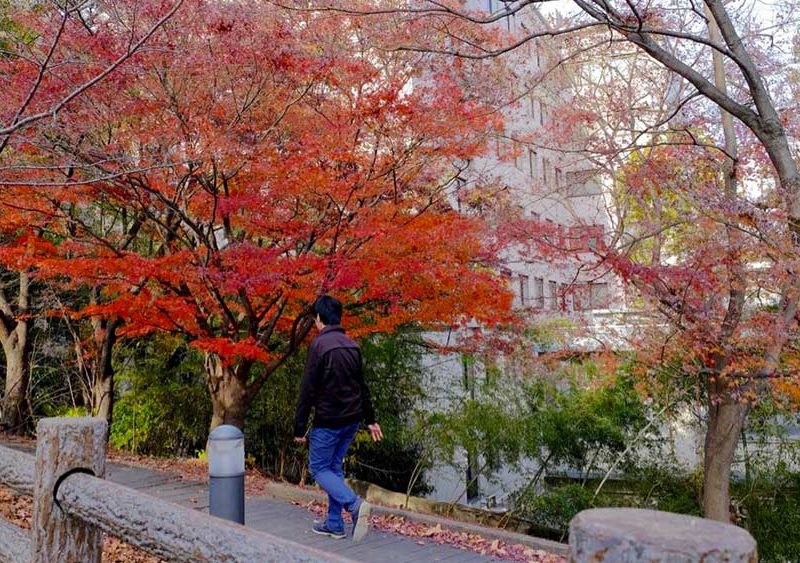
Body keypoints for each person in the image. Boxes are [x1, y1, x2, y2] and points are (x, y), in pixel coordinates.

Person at [293, 295, 383, 542]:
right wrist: (371, 419)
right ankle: (334, 524)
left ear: (319, 318)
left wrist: (299, 427)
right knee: (333, 467)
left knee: (319, 468)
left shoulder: (319, 346)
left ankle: (354, 505)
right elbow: (362, 387)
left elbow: (308, 389)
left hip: (329, 421)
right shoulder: (351, 345)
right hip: (351, 421)